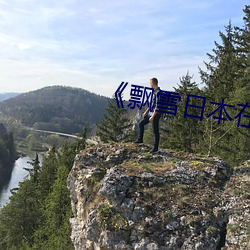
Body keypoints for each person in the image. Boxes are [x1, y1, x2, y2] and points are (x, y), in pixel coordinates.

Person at [134, 78, 161, 153]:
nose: (150, 85)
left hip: (155, 114)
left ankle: (155, 148)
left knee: (155, 131)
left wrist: (152, 116)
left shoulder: (158, 92)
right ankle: (140, 140)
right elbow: (152, 104)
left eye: (150, 83)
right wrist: (146, 112)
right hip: (150, 113)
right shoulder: (154, 92)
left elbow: (157, 106)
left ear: (153, 83)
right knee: (141, 124)